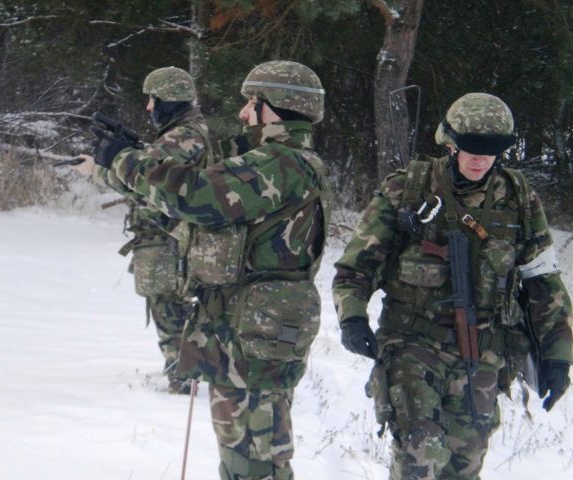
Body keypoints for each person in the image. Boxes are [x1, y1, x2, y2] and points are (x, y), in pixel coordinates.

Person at [90, 60, 330, 480]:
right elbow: (196, 223)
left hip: (256, 336)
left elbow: (195, 195)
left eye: (251, 102)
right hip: (247, 329)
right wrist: (135, 167)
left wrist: (125, 160)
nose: (243, 113)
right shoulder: (273, 161)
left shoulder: (282, 163)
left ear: (275, 106)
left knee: (253, 460)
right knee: (245, 455)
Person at [332, 92, 572, 479]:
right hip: (412, 343)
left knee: (464, 466)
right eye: (472, 147)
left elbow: (543, 281)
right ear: (451, 142)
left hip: (483, 352)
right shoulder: (409, 188)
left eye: (491, 150)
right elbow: (356, 267)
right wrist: (352, 318)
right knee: (420, 454)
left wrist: (557, 356)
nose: (480, 158)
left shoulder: (519, 199)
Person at [73, 66, 214, 394]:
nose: (149, 107)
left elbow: (145, 182)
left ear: (169, 100)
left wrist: (103, 167)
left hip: (169, 240)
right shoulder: (184, 133)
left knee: (169, 309)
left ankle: (183, 378)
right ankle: (183, 372)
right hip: (168, 238)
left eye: (153, 100)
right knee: (169, 307)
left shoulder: (182, 136)